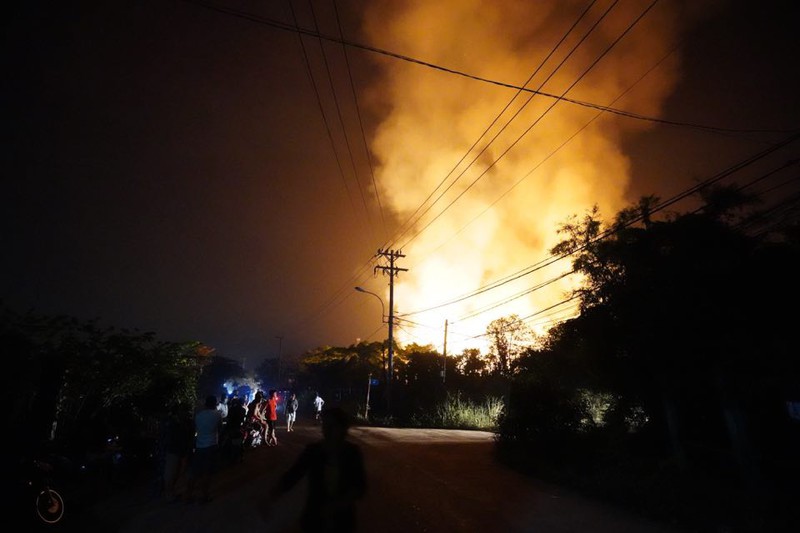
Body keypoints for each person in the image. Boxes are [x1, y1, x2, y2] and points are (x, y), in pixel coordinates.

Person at [264, 406, 367, 532]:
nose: (327, 430)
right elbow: (294, 474)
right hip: (315, 518)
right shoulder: (313, 451)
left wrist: (339, 504)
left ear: (342, 428)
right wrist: (272, 496)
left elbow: (360, 486)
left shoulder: (352, 453)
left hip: (342, 521)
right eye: (325, 425)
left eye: (332, 426)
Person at [185, 395, 223, 504]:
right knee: (207, 472)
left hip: (199, 446)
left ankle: (188, 494)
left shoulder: (198, 415)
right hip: (211, 445)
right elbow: (220, 428)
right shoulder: (217, 414)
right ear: (215, 404)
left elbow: (195, 429)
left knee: (195, 471)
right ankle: (204, 495)